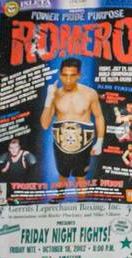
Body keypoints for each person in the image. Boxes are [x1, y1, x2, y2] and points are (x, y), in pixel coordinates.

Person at [40, 58, 105, 200]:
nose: (68, 80)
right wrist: (48, 98)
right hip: (61, 143)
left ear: (79, 75)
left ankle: (81, 201)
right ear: (60, 75)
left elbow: (99, 116)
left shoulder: (89, 94)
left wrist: (99, 142)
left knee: (80, 177)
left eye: (72, 75)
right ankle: (59, 197)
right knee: (62, 174)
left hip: (83, 144)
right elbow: (45, 124)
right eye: (64, 75)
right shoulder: (55, 95)